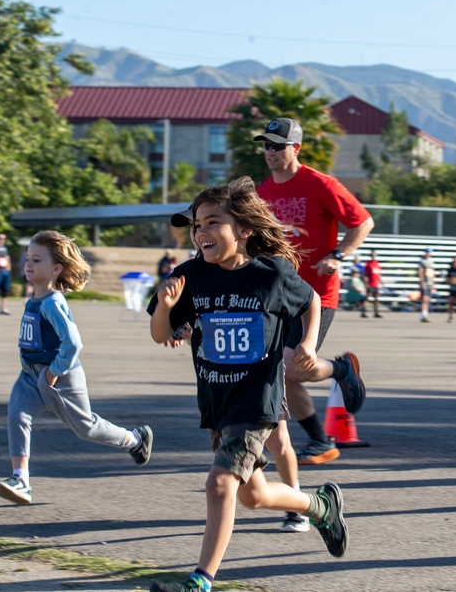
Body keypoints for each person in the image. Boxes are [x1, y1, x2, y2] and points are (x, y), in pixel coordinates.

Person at [147, 178, 363, 592]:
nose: (201, 232)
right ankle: (320, 507)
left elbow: (311, 300)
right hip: (218, 402)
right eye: (196, 225)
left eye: (213, 222)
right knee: (254, 496)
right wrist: (167, 307)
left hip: (258, 401)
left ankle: (200, 580)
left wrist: (305, 342)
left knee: (219, 483)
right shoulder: (191, 275)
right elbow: (160, 334)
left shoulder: (271, 274)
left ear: (244, 229)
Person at [0, 230, 153, 507]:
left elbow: (73, 343)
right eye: (28, 258)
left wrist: (54, 371)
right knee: (17, 416)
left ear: (56, 269)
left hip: (60, 375)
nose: (28, 264)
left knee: (85, 428)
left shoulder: (53, 302)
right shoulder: (34, 299)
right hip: (30, 375)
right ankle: (21, 480)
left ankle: (135, 439)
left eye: (37, 260)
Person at [253, 117, 373, 479]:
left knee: (291, 368)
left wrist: (337, 254)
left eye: (278, 145)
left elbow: (363, 222)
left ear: (296, 148)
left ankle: (340, 369)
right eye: (266, 145)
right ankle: (321, 441)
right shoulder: (262, 192)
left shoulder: (322, 185)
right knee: (280, 373)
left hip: (316, 295)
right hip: (276, 295)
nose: (270, 152)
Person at [363, 249, 384, 318]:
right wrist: (366, 284)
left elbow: (378, 274)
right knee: (367, 298)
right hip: (370, 284)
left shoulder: (377, 264)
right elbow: (365, 275)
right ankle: (363, 312)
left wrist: (381, 282)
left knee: (376, 299)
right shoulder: (368, 264)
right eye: (372, 254)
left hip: (376, 284)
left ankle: (376, 312)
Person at [418, 247, 436, 322]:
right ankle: (423, 315)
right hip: (425, 282)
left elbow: (432, 274)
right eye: (427, 252)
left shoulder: (431, 261)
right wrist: (422, 282)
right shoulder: (422, 261)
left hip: (430, 282)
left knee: (428, 300)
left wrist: (434, 284)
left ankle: (426, 315)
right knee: (424, 299)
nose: (428, 253)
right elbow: (420, 272)